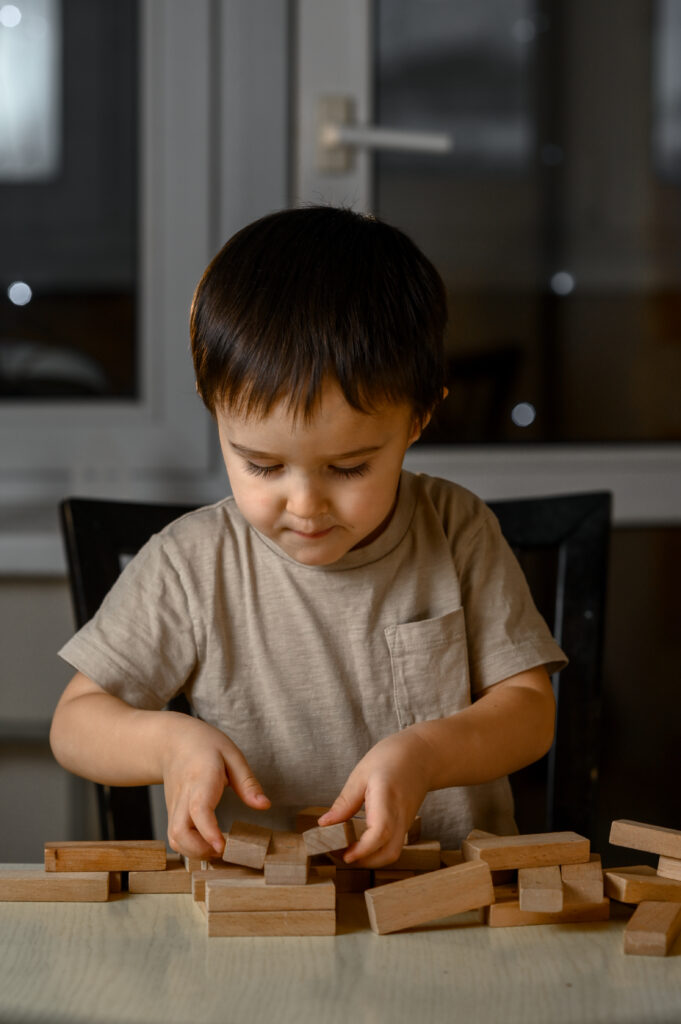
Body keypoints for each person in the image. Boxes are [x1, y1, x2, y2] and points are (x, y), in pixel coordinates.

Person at [51, 206, 566, 868]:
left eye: (349, 467)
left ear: (420, 417)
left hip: (448, 900)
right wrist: (169, 744)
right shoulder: (190, 562)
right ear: (217, 416)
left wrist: (426, 753)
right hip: (261, 911)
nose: (303, 503)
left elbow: (528, 711)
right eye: (260, 464)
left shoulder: (456, 529)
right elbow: (75, 723)